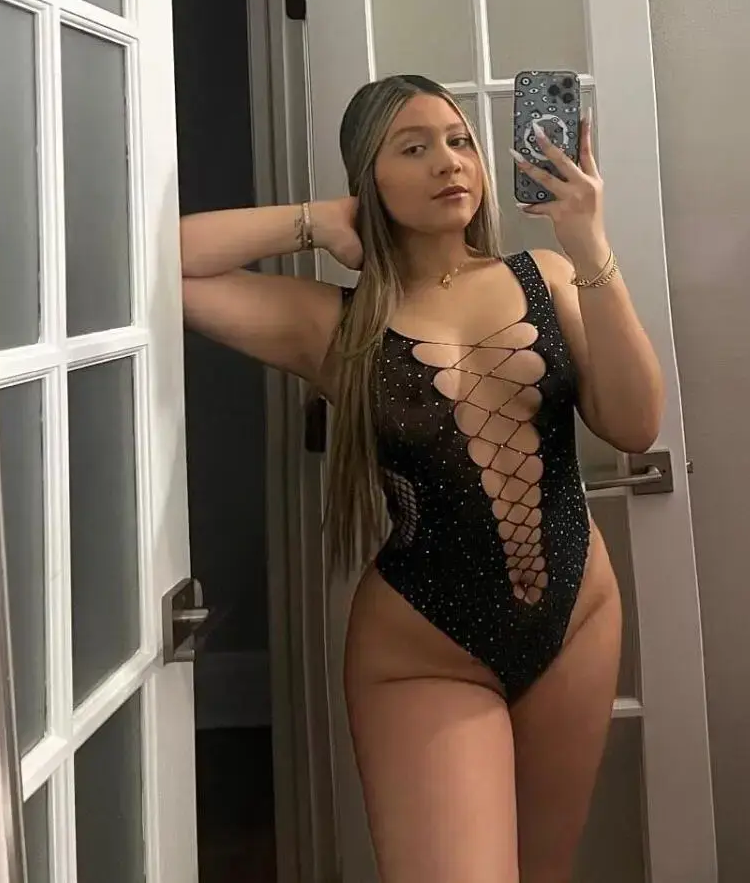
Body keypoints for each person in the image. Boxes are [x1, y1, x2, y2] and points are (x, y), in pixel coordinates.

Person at [180, 73, 664, 883]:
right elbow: (167, 267)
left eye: (460, 140)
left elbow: (635, 424)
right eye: (413, 148)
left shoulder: (547, 276)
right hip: (425, 646)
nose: (449, 162)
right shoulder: (335, 322)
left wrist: (590, 247)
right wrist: (317, 222)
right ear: (368, 178)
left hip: (577, 621)